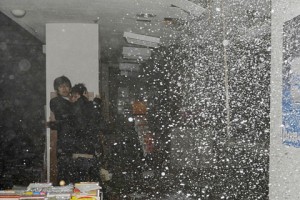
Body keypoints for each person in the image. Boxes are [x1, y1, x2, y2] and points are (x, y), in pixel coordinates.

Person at [70, 83, 104, 182]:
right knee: (94, 182)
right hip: (90, 149)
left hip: (76, 151)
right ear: (85, 93)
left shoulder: (70, 108)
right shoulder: (91, 106)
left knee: (79, 182)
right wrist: (97, 103)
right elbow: (100, 125)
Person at [49, 75, 76, 185]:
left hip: (76, 142)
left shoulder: (73, 102)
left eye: (66, 86)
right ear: (57, 89)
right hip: (65, 142)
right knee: (64, 172)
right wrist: (75, 104)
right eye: (61, 86)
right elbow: (65, 115)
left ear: (70, 88)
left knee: (75, 173)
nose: (64, 89)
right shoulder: (55, 101)